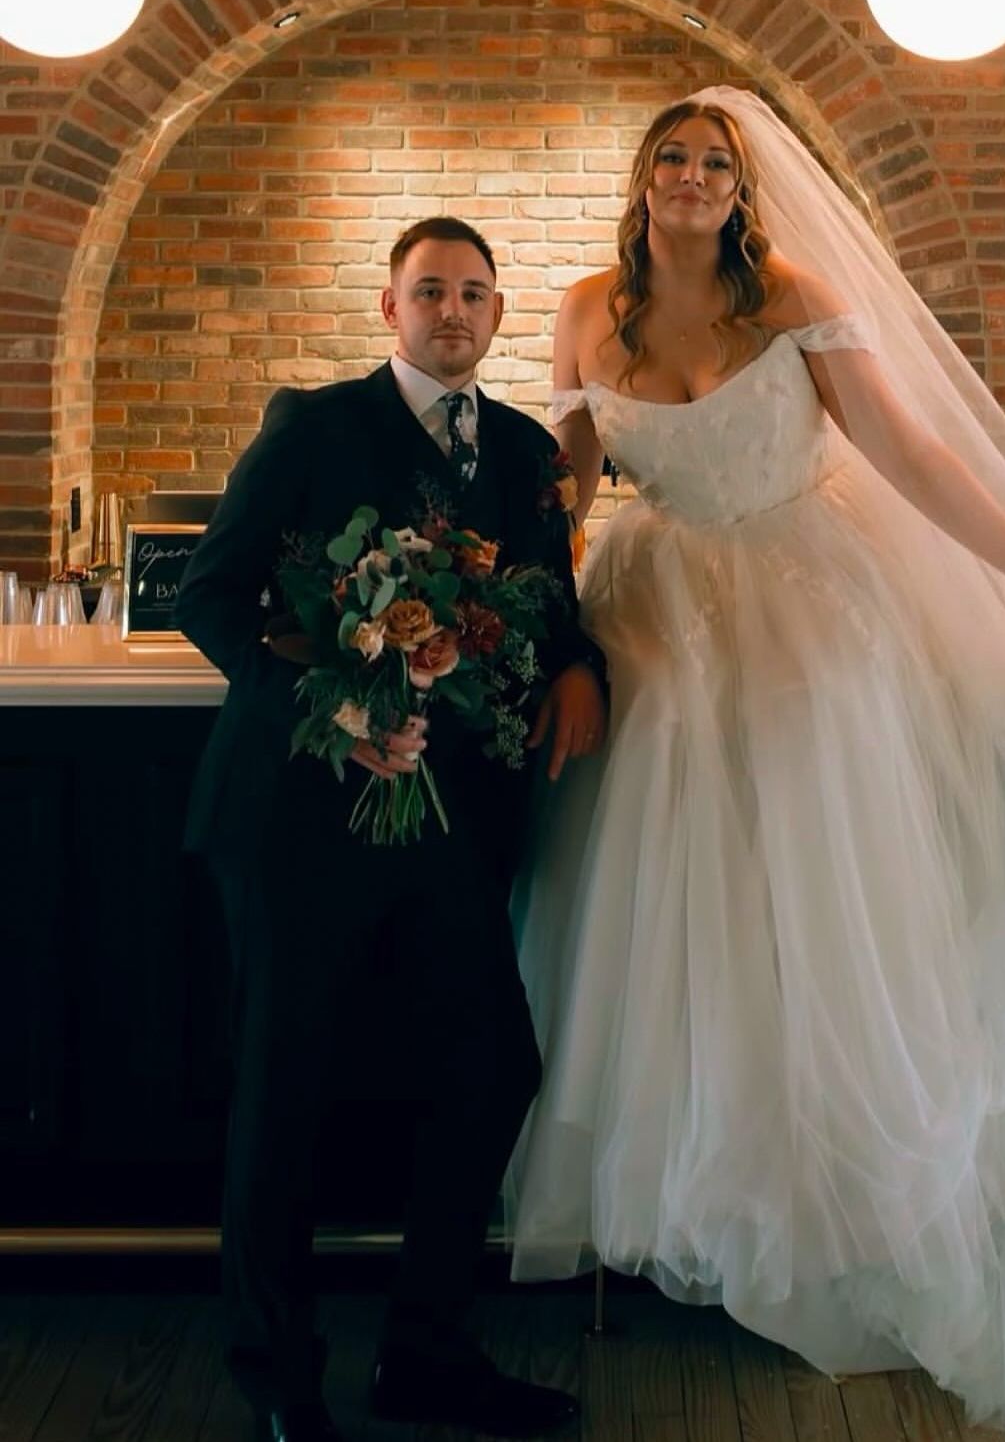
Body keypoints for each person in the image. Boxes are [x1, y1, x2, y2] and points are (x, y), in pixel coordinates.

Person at [506, 89, 1005, 1440]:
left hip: (812, 618)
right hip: (659, 633)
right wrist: (501, 617)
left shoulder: (789, 291)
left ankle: (850, 1204)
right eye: (671, 159)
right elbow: (558, 496)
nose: (691, 177)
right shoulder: (585, 309)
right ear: (641, 181)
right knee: (690, 924)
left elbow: (907, 451)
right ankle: (715, 1197)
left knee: (827, 911)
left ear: (741, 193)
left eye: (714, 164)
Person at [176, 216, 605, 1442]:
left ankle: (423, 1351)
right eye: (431, 290)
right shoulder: (311, 425)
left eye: (476, 293)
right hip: (298, 821)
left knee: (492, 1066)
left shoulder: (525, 450)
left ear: (499, 315)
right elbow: (211, 592)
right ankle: (277, 1371)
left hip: (448, 829)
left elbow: (552, 606)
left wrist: (581, 670)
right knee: (283, 1091)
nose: (454, 311)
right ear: (390, 307)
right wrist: (332, 704)